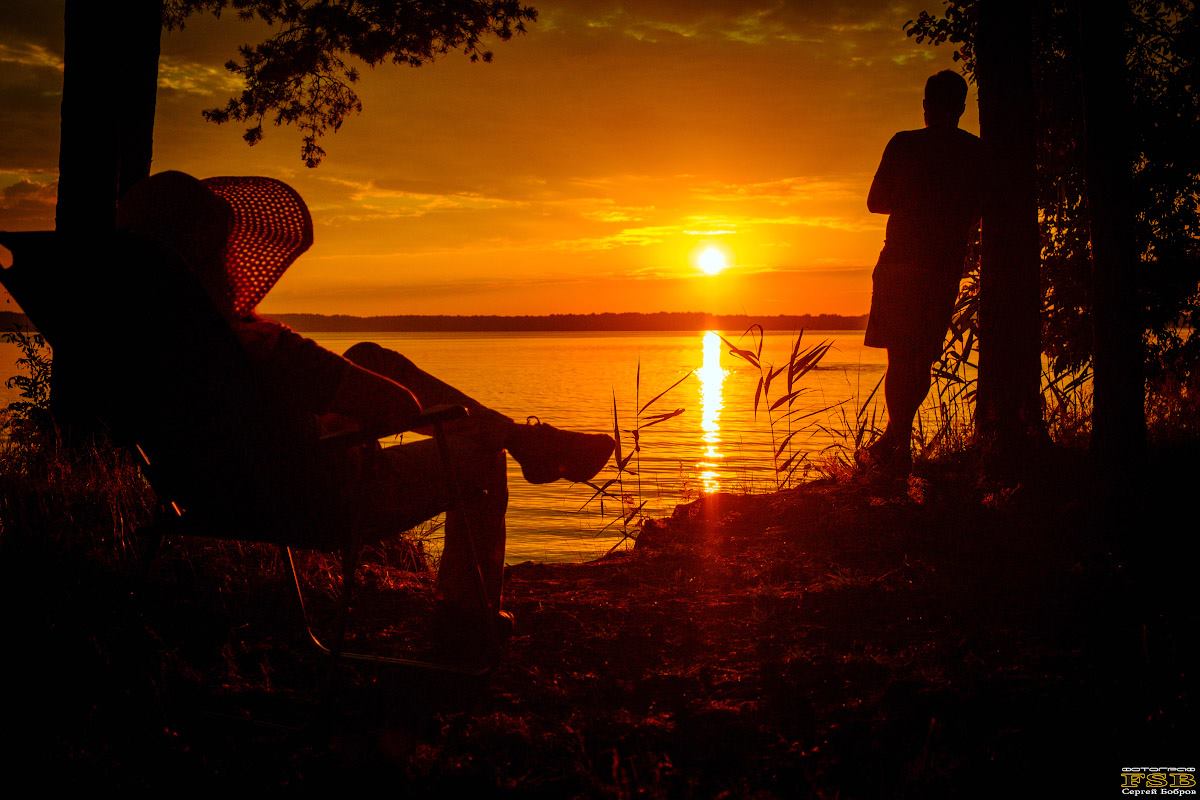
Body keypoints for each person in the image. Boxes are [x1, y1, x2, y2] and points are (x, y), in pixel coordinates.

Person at [117, 170, 615, 645]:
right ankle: (467, 616)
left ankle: (533, 444)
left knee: (368, 358)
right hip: (316, 499)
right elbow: (398, 408)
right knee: (482, 451)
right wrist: (337, 414)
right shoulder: (258, 346)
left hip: (209, 495)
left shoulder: (131, 346)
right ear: (212, 250)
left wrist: (322, 409)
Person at [860, 70, 984, 474]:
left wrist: (912, 194)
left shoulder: (905, 144)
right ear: (962, 109)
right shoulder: (975, 153)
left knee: (901, 359)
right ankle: (897, 442)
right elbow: (983, 209)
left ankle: (896, 444)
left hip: (901, 262)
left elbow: (875, 201)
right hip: (941, 268)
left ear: (926, 105)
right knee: (921, 358)